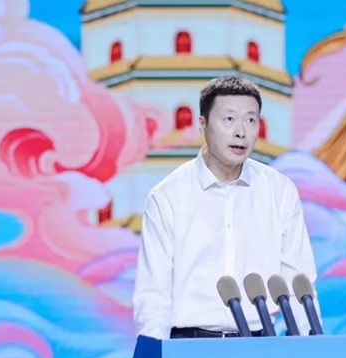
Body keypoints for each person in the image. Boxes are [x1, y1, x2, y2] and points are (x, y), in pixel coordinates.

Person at [132, 76, 320, 339]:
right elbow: (153, 296)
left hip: (261, 345)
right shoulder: (168, 197)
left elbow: (299, 284)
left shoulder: (279, 191)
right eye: (229, 119)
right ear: (203, 124)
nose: (241, 132)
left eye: (251, 120)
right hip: (190, 347)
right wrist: (155, 356)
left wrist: (311, 349)